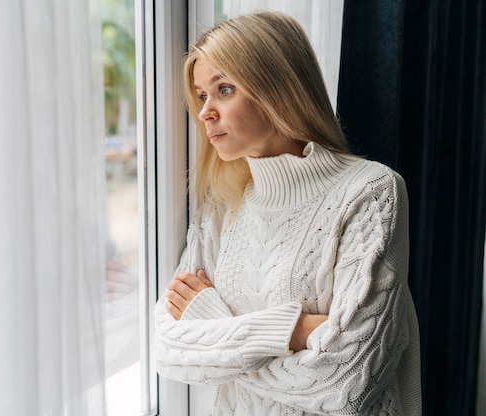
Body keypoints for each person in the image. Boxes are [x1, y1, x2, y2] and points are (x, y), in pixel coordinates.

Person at [153, 11, 421, 416]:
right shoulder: (222, 201)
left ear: (278, 89)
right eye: (202, 95)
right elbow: (168, 350)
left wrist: (211, 326)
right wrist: (294, 331)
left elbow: (346, 383)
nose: (205, 111)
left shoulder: (370, 193)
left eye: (224, 89)